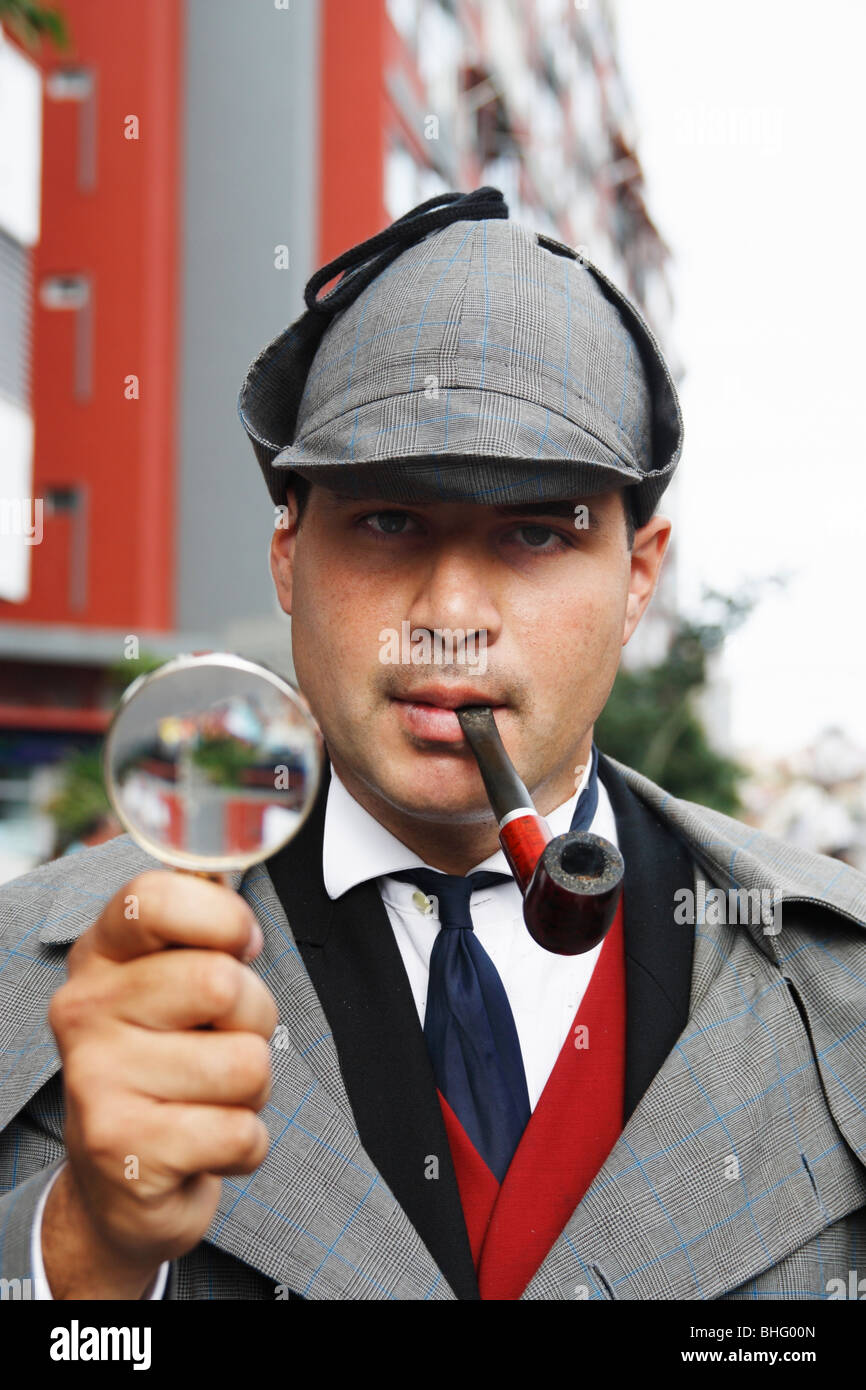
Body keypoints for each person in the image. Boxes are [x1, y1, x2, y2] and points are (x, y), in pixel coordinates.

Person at [1, 188, 864, 1302]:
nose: (449, 610)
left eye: (534, 530)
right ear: (286, 556)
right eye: (387, 520)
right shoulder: (29, 972)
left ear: (638, 575)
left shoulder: (837, 978)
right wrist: (78, 1256)